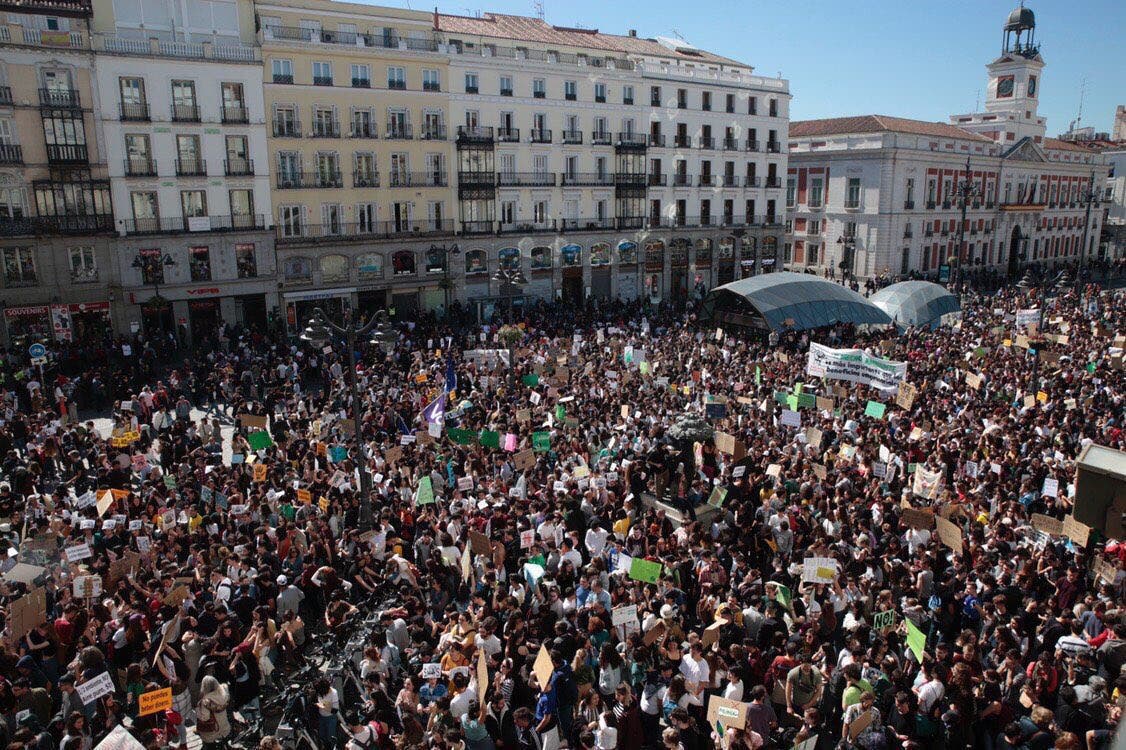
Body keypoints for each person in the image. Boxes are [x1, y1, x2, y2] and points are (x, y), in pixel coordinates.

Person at [195, 675, 231, 750]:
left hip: (213, 732)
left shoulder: (206, 701)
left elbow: (205, 718)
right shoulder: (224, 691)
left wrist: (197, 710)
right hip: (225, 727)